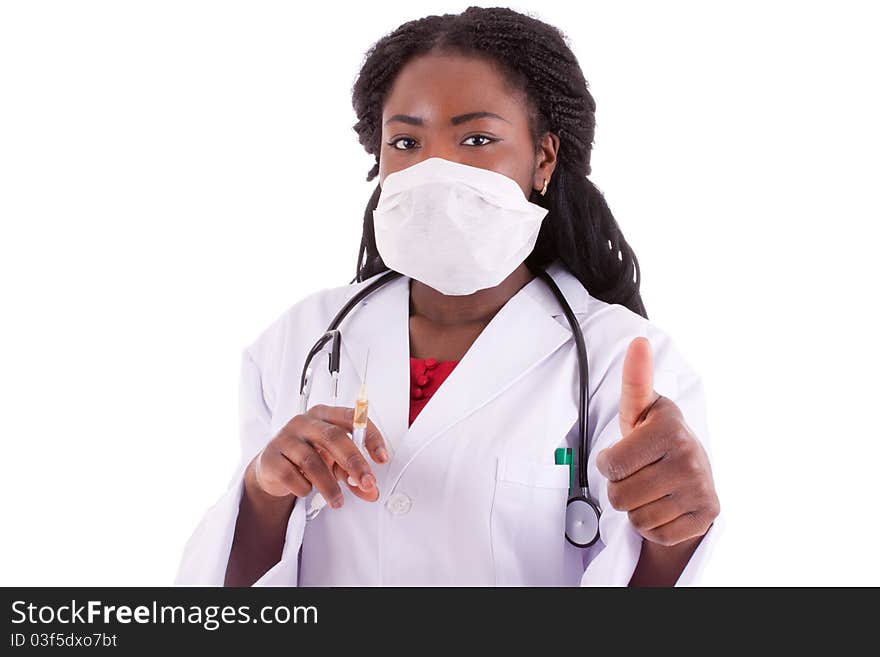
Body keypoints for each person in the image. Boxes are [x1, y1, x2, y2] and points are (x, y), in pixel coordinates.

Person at [175, 6, 721, 587]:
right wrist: (264, 491)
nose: (434, 169)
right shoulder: (299, 340)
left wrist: (677, 536)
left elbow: (646, 574)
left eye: (477, 138)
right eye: (406, 141)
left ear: (543, 159)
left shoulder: (622, 360)